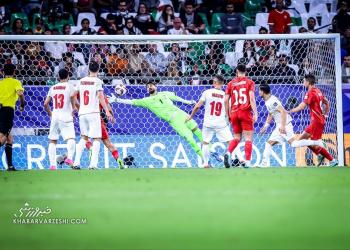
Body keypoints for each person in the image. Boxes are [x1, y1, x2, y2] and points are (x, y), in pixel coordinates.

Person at [109, 82, 204, 158]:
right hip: (174, 121)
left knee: (198, 131)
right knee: (190, 139)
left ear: (156, 87)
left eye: (151, 85)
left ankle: (212, 151)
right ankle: (205, 159)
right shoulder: (146, 101)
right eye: (147, 87)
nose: (149, 87)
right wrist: (117, 100)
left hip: (182, 114)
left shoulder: (165, 93)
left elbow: (176, 98)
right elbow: (132, 102)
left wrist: (188, 102)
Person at [258, 83, 324, 167]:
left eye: (260, 90)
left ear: (263, 91)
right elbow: (271, 113)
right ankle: (263, 164)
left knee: (294, 144)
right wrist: (265, 126)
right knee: (269, 143)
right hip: (280, 125)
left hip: (285, 125)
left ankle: (317, 142)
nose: (258, 92)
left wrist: (282, 126)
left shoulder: (272, 100)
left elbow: (283, 112)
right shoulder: (267, 101)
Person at [288, 74, 338, 166]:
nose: (303, 83)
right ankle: (319, 153)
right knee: (302, 140)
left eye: (304, 81)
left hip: (316, 122)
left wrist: (289, 111)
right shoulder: (318, 91)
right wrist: (325, 115)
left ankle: (332, 159)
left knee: (314, 142)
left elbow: (301, 107)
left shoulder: (310, 93)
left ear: (308, 82)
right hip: (317, 121)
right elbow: (326, 102)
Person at [73, 61, 113, 169]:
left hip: (82, 113)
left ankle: (76, 163)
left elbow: (73, 95)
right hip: (93, 113)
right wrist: (107, 111)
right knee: (96, 139)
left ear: (88, 69)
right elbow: (100, 96)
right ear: (98, 70)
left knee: (83, 138)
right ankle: (93, 165)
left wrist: (77, 107)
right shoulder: (97, 81)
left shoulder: (81, 81)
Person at [186, 75, 233, 168]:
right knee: (231, 141)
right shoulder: (225, 96)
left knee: (206, 143)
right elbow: (229, 110)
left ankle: (206, 163)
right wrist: (229, 119)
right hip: (221, 123)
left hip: (208, 123)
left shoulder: (207, 92)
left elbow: (198, 106)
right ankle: (233, 157)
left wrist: (191, 116)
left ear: (214, 83)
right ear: (222, 84)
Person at [43, 69, 78, 170]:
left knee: (53, 141)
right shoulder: (70, 87)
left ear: (58, 77)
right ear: (68, 77)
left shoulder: (53, 87)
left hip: (55, 116)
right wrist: (75, 108)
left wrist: (51, 114)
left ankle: (53, 165)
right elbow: (74, 99)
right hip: (66, 115)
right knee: (71, 139)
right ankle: (70, 158)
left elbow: (45, 104)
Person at [224, 64, 258, 167]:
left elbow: (225, 100)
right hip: (245, 112)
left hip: (234, 112)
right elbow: (251, 99)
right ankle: (247, 162)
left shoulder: (231, 83)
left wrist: (228, 114)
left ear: (236, 71)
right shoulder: (250, 82)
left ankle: (228, 152)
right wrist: (255, 113)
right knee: (248, 138)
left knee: (236, 137)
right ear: (246, 71)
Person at [85, 95, 124, 169]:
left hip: (85, 118)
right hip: (97, 120)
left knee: (84, 138)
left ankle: (90, 147)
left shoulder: (85, 93)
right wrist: (112, 116)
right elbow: (108, 107)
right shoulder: (100, 95)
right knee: (108, 143)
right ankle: (118, 159)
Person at [0, 64, 25, 171]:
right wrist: (22, 104)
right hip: (7, 111)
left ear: (2, 72)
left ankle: (10, 166)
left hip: (1, 109)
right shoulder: (16, 82)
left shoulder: (1, 83)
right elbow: (20, 93)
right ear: (14, 72)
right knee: (2, 137)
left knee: (10, 138)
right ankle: (10, 166)